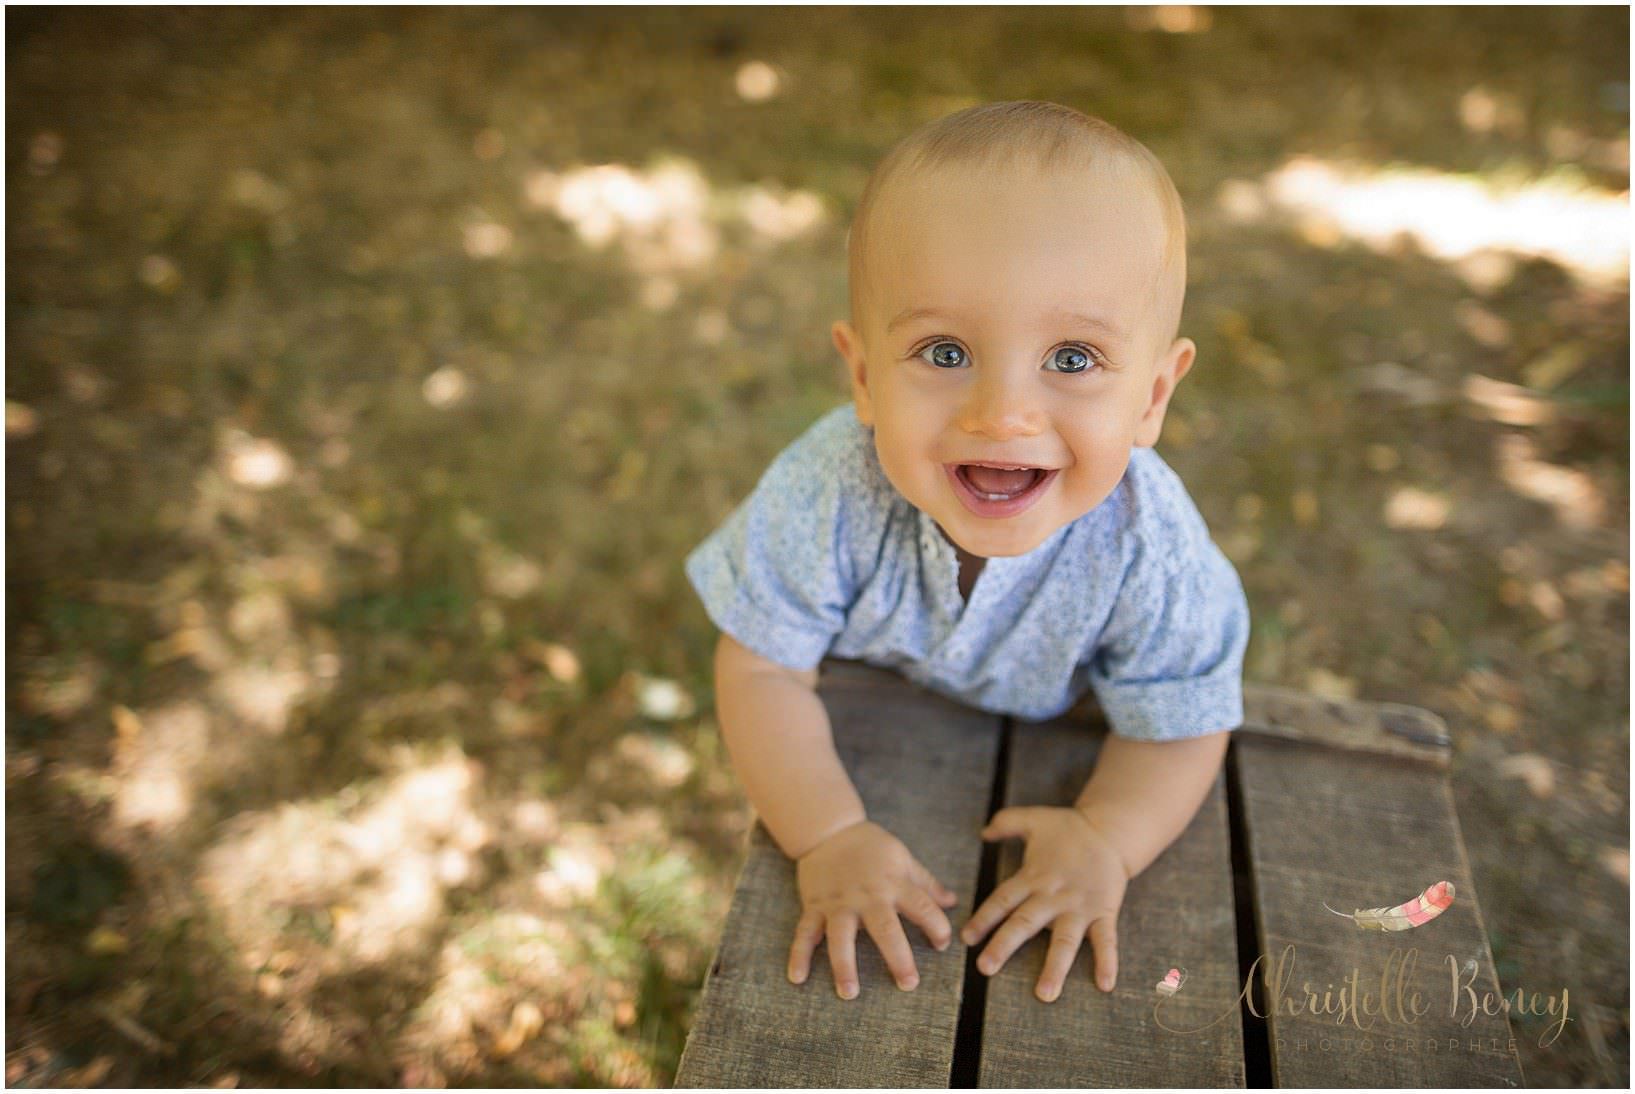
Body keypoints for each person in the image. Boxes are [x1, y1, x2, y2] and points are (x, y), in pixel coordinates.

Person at [684, 101, 1249, 1004]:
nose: (1002, 414)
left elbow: (1182, 715)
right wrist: (827, 835)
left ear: (1151, 397)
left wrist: (1105, 839)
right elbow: (760, 667)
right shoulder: (827, 489)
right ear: (863, 375)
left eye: (1072, 359)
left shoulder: (1152, 548)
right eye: (944, 351)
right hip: (881, 722)